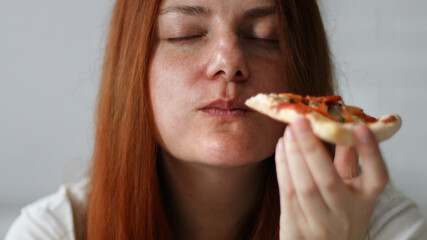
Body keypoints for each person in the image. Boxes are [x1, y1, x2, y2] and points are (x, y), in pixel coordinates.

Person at [6, 0, 427, 239]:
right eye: (185, 34)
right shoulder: (52, 231)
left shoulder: (384, 226)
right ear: (132, 66)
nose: (230, 63)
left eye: (266, 36)